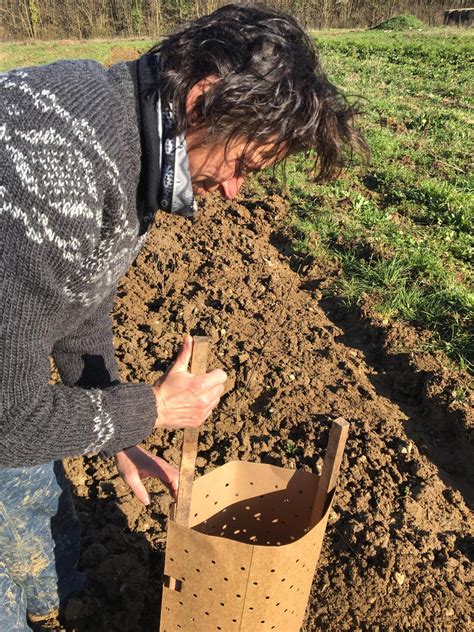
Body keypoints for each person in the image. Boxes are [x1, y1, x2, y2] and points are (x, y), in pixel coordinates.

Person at [0, 4, 367, 630]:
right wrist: (151, 408)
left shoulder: (129, 130)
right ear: (202, 100)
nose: (233, 190)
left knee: (32, 489)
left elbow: (80, 300)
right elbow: (7, 419)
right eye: (244, 165)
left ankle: (55, 603)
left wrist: (115, 423)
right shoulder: (59, 163)